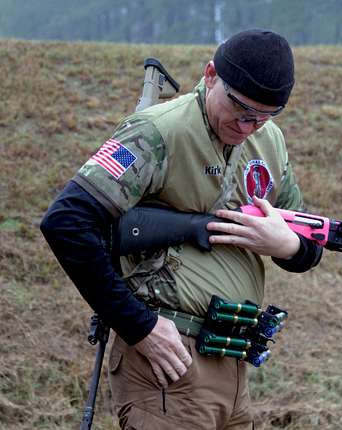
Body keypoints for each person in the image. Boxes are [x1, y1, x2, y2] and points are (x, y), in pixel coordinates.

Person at [40, 29, 322, 429]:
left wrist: (288, 245)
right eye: (241, 109)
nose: (248, 127)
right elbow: (67, 222)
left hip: (234, 365)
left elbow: (311, 243)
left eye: (264, 116)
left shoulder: (269, 142)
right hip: (169, 367)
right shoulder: (156, 131)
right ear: (210, 75)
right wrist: (140, 327)